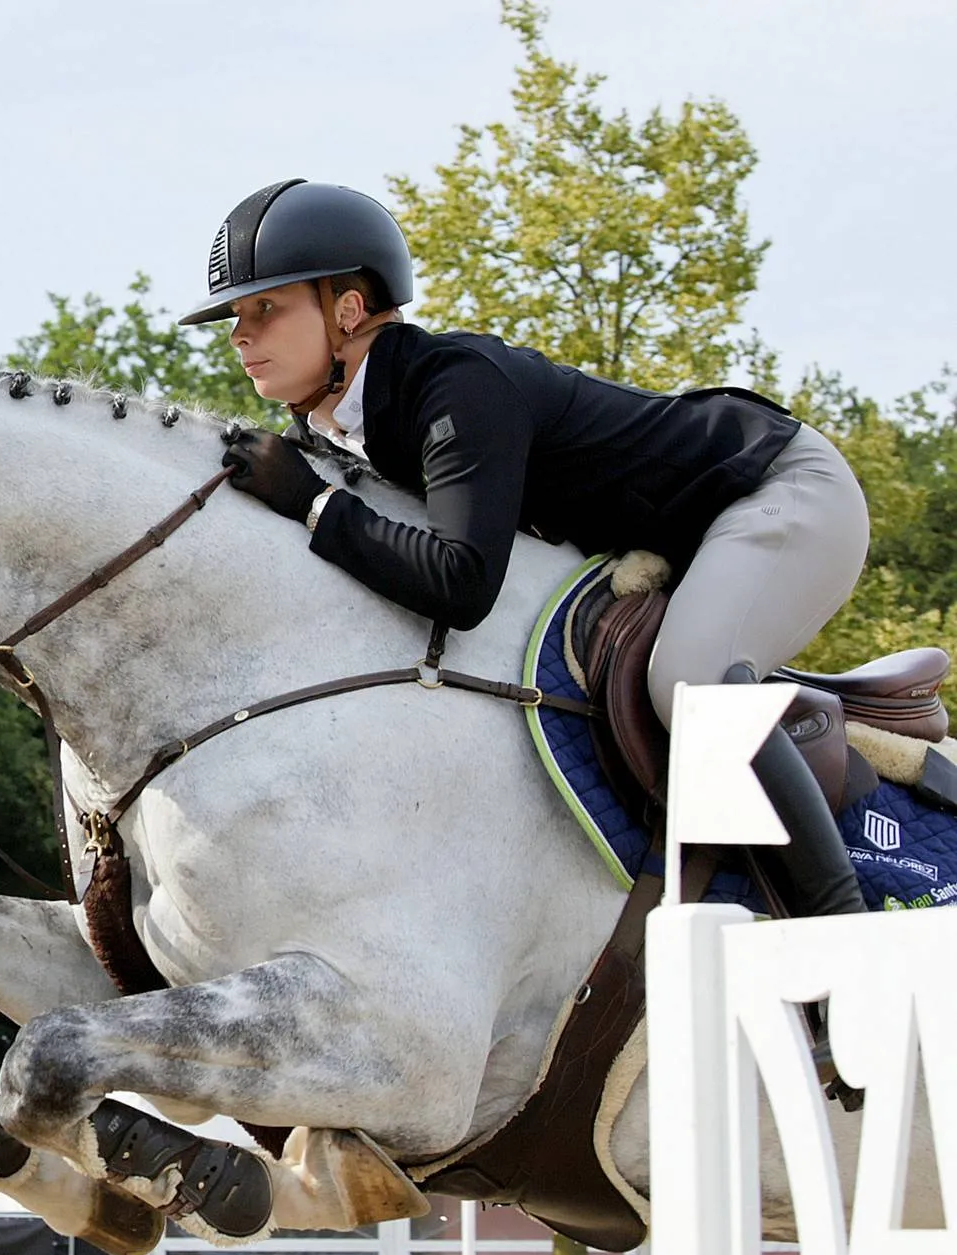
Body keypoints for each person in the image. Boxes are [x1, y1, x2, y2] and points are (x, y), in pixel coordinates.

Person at [187, 178, 871, 917]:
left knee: (689, 683)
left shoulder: (455, 385)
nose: (238, 335)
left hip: (778, 489)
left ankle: (841, 925)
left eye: (264, 308)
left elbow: (460, 584)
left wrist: (310, 500)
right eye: (235, 316)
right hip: (687, 534)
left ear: (346, 308)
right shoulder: (337, 427)